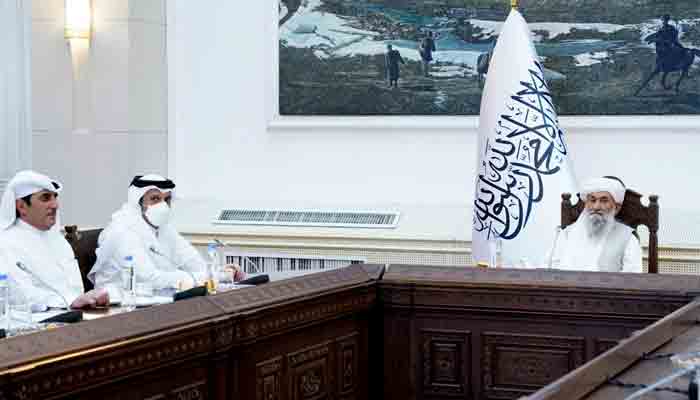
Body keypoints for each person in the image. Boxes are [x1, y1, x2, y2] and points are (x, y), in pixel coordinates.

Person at [88, 174, 245, 300]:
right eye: (155, 199)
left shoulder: (164, 229)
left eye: (167, 199)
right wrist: (199, 278)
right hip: (120, 305)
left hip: (159, 300)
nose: (163, 205)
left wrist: (221, 274)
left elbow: (194, 262)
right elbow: (150, 278)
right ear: (138, 202)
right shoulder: (121, 231)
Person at [0, 170, 109, 310]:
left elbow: (76, 289)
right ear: (21, 206)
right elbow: (19, 296)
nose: (55, 205)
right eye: (45, 198)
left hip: (74, 318)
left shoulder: (58, 241)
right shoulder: (6, 243)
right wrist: (70, 302)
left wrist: (91, 298)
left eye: (55, 197)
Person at [547, 177, 643, 273]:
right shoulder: (566, 234)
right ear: (586, 204)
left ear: (617, 207)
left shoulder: (628, 238)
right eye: (592, 200)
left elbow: (633, 279)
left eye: (604, 201)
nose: (596, 207)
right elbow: (553, 272)